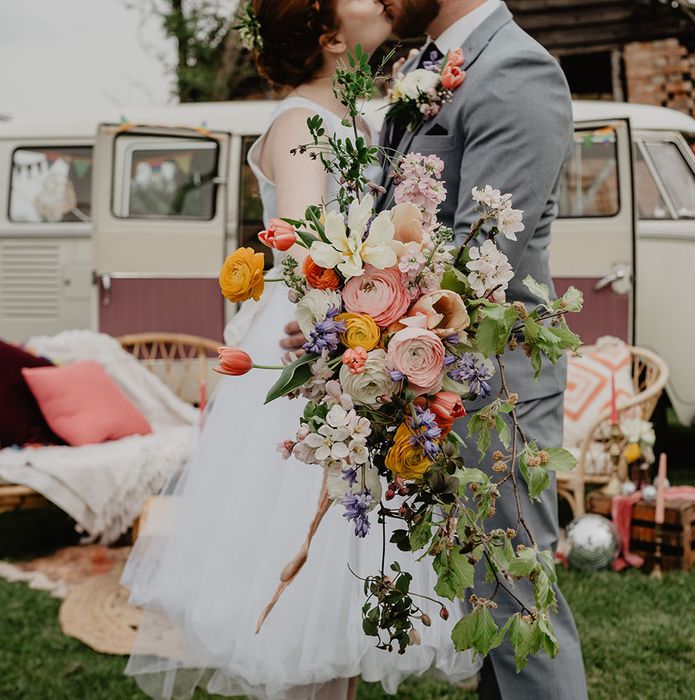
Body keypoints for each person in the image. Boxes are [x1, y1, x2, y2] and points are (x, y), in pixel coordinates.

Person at [121, 1, 479, 699]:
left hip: (357, 335)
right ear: (331, 37)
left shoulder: (363, 116)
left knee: (337, 600)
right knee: (300, 592)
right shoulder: (300, 124)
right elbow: (300, 246)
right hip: (313, 351)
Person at [380, 2, 590, 698]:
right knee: (490, 617)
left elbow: (478, 263)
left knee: (521, 608)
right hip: (442, 379)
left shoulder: (516, 71)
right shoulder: (425, 68)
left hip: (498, 395)